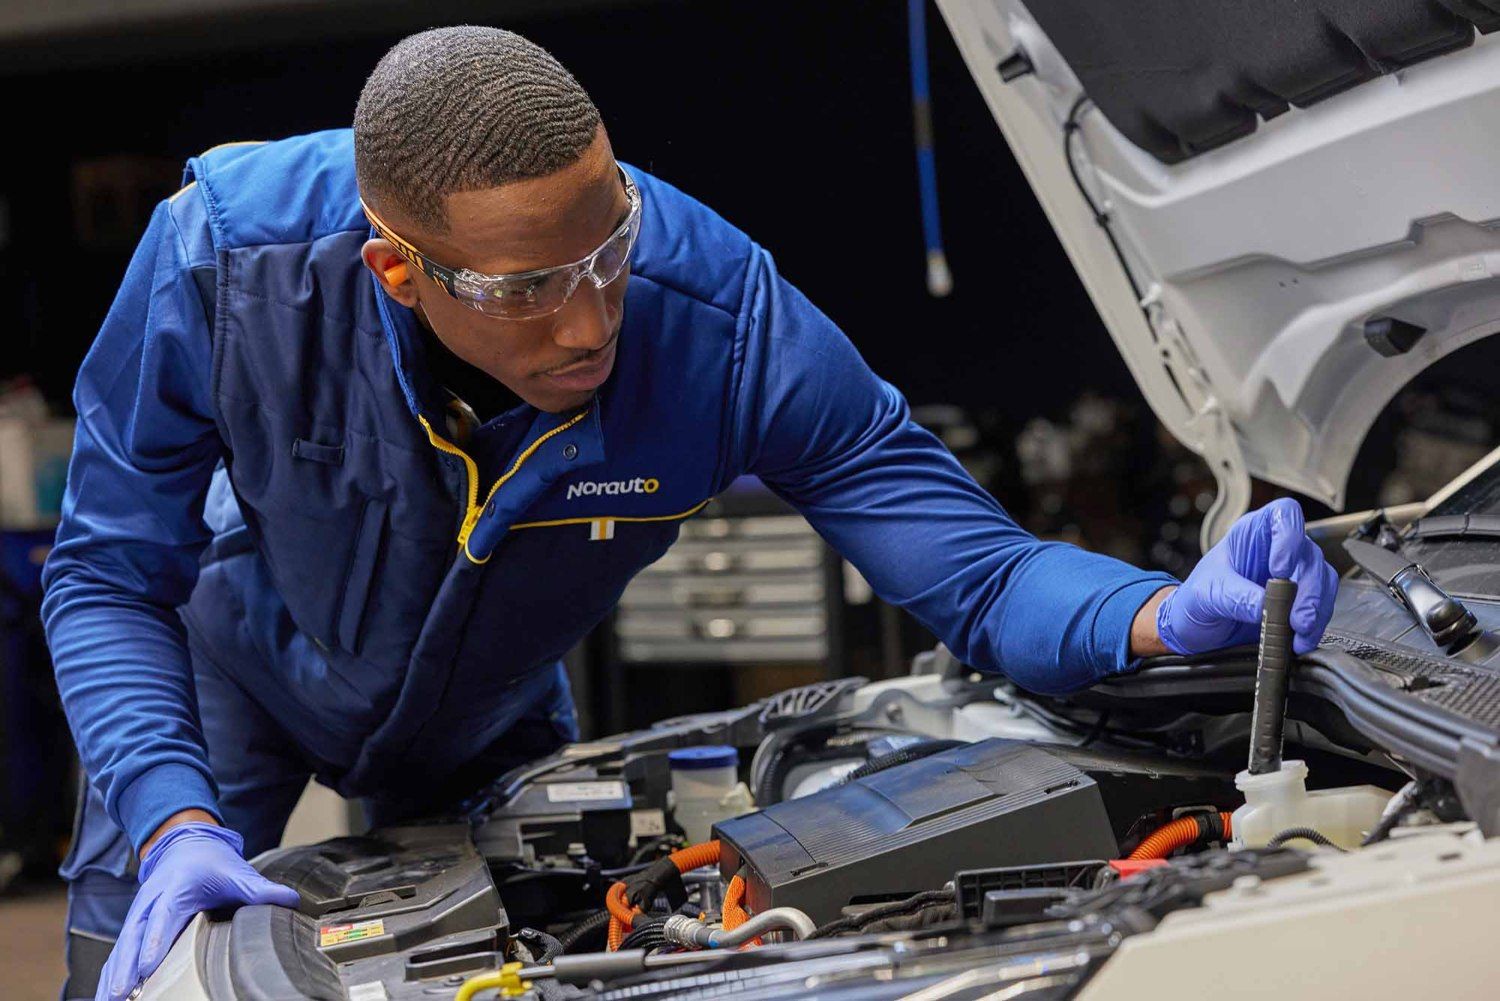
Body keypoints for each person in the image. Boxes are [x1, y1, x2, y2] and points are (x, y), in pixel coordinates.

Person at [41, 26, 1340, 1001]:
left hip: (485, 720)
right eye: (532, 288)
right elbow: (107, 575)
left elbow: (985, 582)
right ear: (397, 267)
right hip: (226, 688)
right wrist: (170, 813)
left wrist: (1165, 614)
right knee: (146, 964)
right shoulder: (229, 264)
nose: (596, 320)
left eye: (611, 246)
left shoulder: (728, 324)